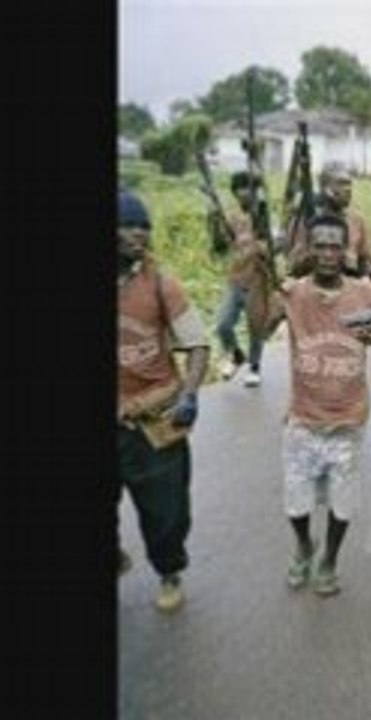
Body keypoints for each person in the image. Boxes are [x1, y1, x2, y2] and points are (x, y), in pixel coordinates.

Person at [263, 213, 371, 596]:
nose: (328, 253)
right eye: (320, 245)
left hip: (347, 420)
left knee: (342, 505)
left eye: (335, 246)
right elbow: (259, 330)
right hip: (302, 420)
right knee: (296, 503)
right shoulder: (294, 293)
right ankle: (304, 545)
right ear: (308, 249)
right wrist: (266, 290)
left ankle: (329, 560)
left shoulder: (364, 294)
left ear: (347, 250)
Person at [117, 190, 210, 613]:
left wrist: (189, 394)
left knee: (166, 511)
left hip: (154, 418)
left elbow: (196, 345)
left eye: (144, 227)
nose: (138, 234)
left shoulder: (159, 284)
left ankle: (169, 571)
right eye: (128, 225)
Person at [211, 170, 275, 388]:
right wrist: (213, 220)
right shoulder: (230, 217)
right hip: (235, 280)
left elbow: (271, 248)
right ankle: (236, 354)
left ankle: (255, 366)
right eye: (241, 189)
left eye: (250, 188)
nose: (246, 193)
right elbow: (219, 246)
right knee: (223, 324)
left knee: (255, 327)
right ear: (235, 193)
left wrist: (262, 247)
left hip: (258, 280)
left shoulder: (264, 216)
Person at [287, 161, 371, 280]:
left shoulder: (356, 220)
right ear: (325, 187)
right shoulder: (306, 219)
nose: (348, 189)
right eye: (341, 184)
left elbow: (366, 261)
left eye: (349, 184)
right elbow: (294, 265)